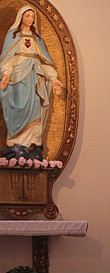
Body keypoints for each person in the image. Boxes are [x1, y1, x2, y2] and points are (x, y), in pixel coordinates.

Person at [0, 5, 63, 160]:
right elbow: (7, 57)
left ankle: (32, 139)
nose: (30, 19)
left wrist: (53, 78)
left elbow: (45, 61)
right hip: (17, 78)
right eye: (27, 16)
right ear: (21, 17)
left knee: (35, 106)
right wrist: (6, 74)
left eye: (32, 17)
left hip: (34, 76)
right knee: (17, 106)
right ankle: (14, 138)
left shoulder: (37, 38)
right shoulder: (12, 36)